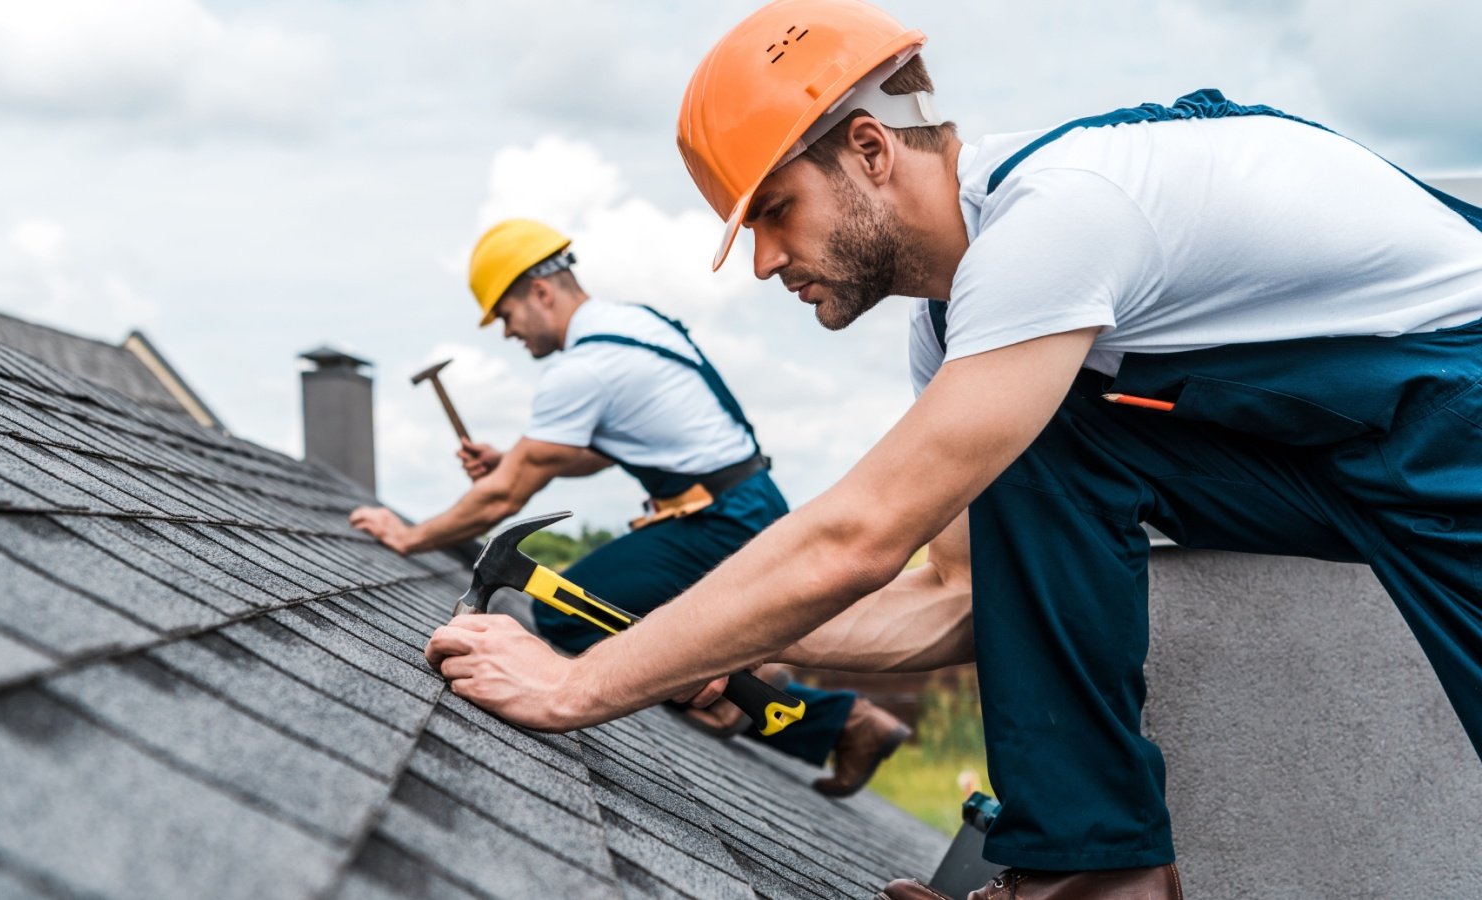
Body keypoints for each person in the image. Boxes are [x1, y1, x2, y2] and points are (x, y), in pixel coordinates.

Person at [422, 1, 1482, 897]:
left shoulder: (1055, 222)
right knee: (1046, 442)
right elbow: (964, 596)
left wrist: (579, 684)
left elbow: (858, 535)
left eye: (775, 212)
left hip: (1456, 414)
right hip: (1339, 450)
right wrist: (729, 649)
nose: (761, 262)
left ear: (871, 151)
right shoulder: (965, 338)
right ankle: (1090, 873)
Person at [350, 217, 910, 796]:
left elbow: (504, 496)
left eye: (507, 316)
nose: (509, 334)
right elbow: (595, 453)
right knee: (646, 626)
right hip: (741, 504)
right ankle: (794, 703)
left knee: (567, 614)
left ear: (540, 292)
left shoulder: (583, 366)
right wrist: (513, 459)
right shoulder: (633, 325)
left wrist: (409, 535)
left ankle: (788, 704)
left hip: (717, 521)